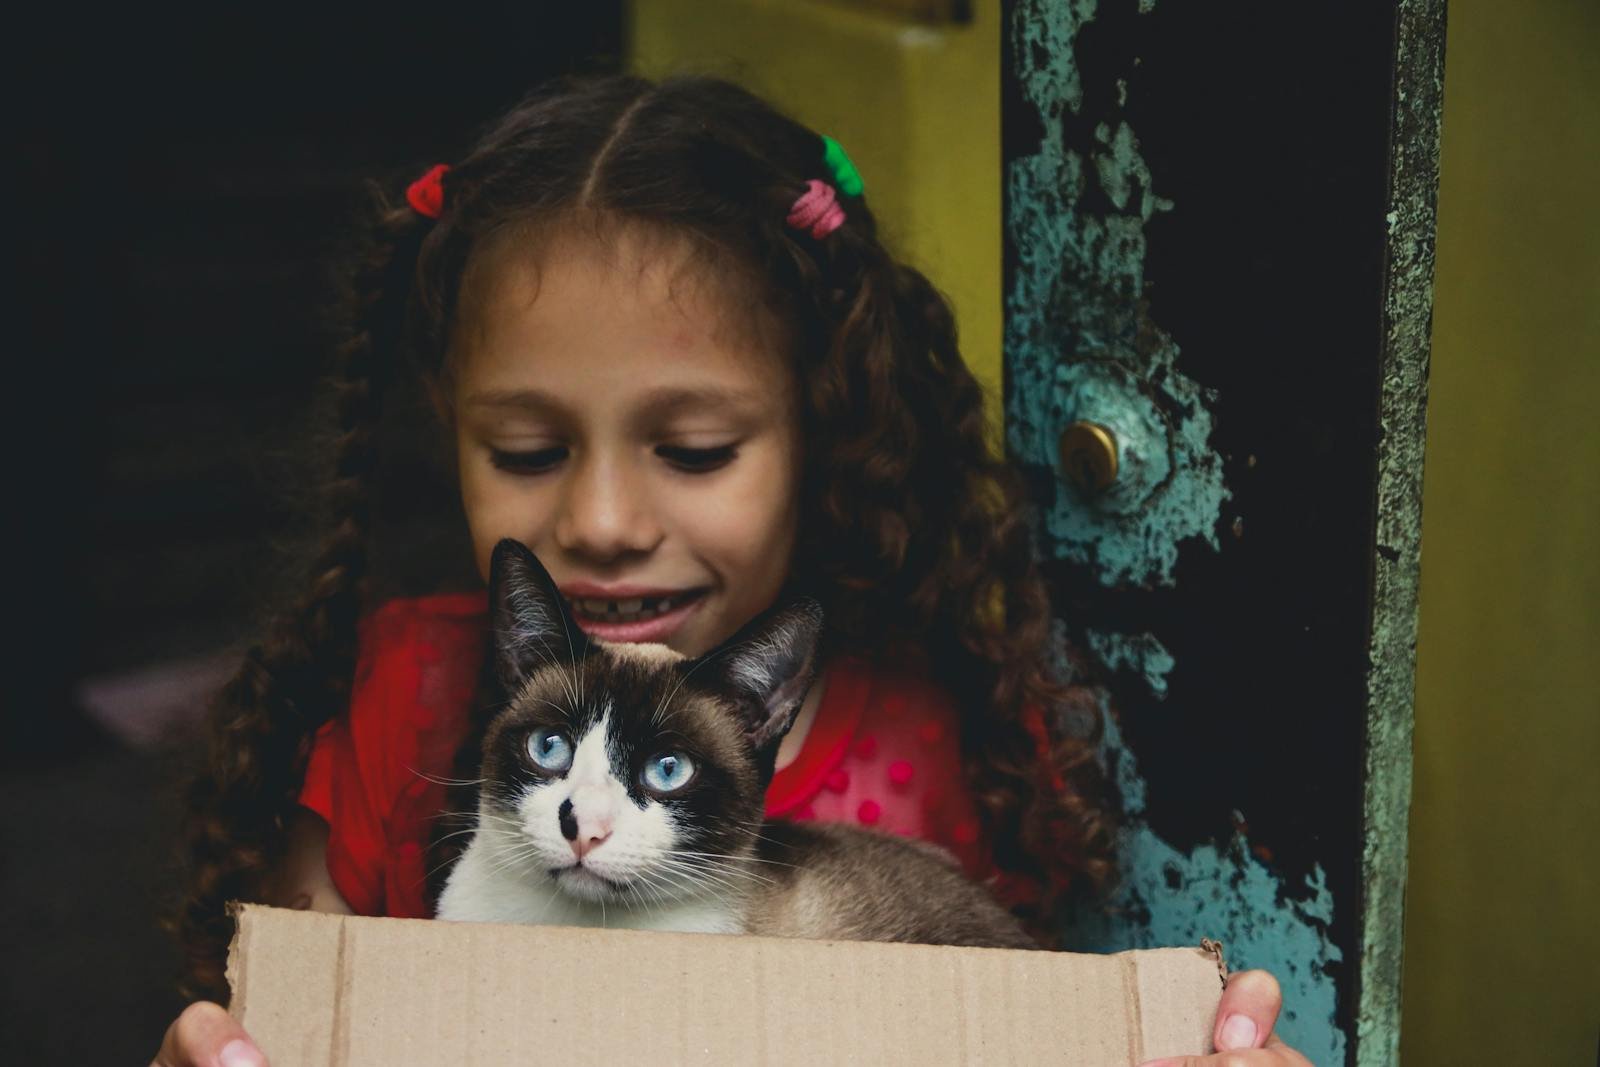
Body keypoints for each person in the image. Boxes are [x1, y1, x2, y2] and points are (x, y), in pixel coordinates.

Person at [153, 74, 1307, 1067]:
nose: (602, 521)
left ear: (822, 431)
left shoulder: (927, 752)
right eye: (527, 450)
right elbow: (305, 1005)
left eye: (695, 449)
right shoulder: (401, 691)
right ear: (444, 427)